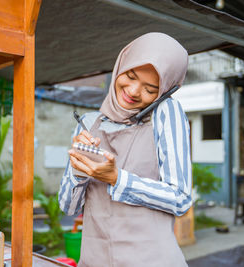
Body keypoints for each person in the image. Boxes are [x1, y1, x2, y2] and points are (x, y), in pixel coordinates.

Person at [58, 32, 192, 267]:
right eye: (130, 76)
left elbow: (180, 198)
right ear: (121, 65)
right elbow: (68, 207)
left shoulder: (165, 113)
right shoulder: (89, 123)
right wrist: (78, 171)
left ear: (164, 92)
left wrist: (116, 178)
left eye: (150, 89)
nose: (132, 91)